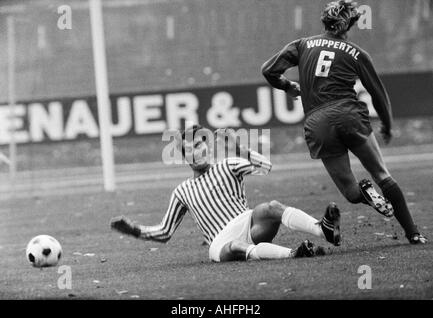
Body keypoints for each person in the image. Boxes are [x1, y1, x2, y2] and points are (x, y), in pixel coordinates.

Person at [261, 0, 426, 244]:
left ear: (324, 21)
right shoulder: (357, 54)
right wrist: (387, 126)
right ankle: (413, 233)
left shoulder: (302, 45)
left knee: (350, 192)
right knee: (381, 174)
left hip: (318, 123)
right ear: (350, 23)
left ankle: (366, 195)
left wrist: (288, 86)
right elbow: (379, 95)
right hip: (348, 114)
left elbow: (268, 70)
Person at [110, 125, 342, 262]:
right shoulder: (182, 191)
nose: (196, 151)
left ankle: (322, 229)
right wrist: (135, 230)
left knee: (271, 207)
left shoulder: (228, 165)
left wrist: (241, 149)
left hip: (248, 222)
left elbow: (265, 167)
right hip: (220, 241)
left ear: (207, 147)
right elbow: (164, 232)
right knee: (235, 247)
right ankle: (293, 254)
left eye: (199, 145)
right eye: (189, 149)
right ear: (184, 157)